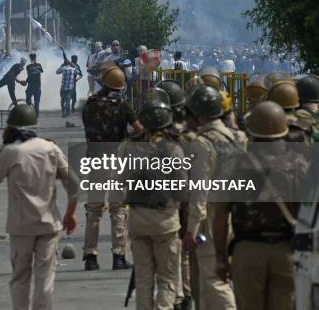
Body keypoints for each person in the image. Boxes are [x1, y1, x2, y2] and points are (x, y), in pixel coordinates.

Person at [0, 104, 78, 310]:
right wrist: (70, 214)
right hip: (48, 224)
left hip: (20, 227)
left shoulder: (10, 152)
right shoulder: (50, 149)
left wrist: (4, 146)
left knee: (20, 278)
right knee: (45, 280)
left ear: (11, 127)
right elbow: (74, 185)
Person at [214, 101, 297, 310]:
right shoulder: (299, 165)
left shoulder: (233, 165)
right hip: (287, 251)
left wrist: (221, 259)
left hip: (247, 251)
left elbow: (221, 217)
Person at [121, 88, 186, 310]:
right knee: (167, 279)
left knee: (143, 280)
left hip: (138, 219)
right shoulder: (174, 149)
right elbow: (181, 189)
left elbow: (122, 182)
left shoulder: (129, 147)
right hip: (165, 220)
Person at [183, 85, 242, 310]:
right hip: (235, 215)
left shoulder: (201, 143)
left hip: (210, 218)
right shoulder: (238, 137)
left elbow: (200, 189)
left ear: (198, 114)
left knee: (213, 280)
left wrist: (192, 228)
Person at [81, 66, 143, 271]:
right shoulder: (123, 106)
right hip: (116, 159)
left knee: (93, 209)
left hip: (95, 159)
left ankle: (90, 256)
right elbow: (138, 129)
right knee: (118, 209)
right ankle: (119, 256)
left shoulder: (89, 104)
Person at [23, 53, 43, 117]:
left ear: (30, 58)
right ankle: (36, 116)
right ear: (35, 58)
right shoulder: (39, 65)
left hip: (31, 86)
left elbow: (29, 76)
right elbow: (41, 71)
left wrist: (25, 82)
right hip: (37, 86)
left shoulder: (28, 66)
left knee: (28, 100)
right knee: (36, 102)